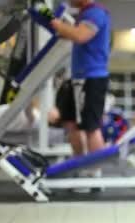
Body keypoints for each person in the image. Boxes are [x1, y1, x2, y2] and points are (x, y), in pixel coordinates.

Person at [50, 0, 111, 162]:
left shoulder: (95, 12)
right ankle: (79, 164)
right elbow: (74, 33)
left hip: (91, 78)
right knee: (70, 123)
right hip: (78, 78)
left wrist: (56, 24)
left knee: (91, 127)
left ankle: (94, 175)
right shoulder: (85, 13)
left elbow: (80, 35)